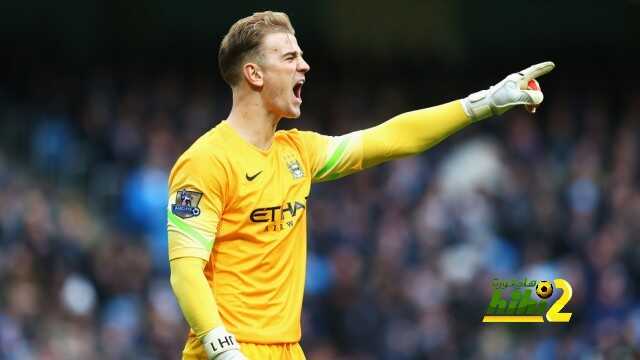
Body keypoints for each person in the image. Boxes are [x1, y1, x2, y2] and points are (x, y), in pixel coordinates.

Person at [167, 10, 554, 360]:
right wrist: (223, 349)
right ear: (254, 74)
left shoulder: (297, 152)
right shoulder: (206, 160)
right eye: (289, 58)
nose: (304, 65)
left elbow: (389, 139)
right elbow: (186, 271)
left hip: (286, 349)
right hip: (225, 349)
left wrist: (482, 103)